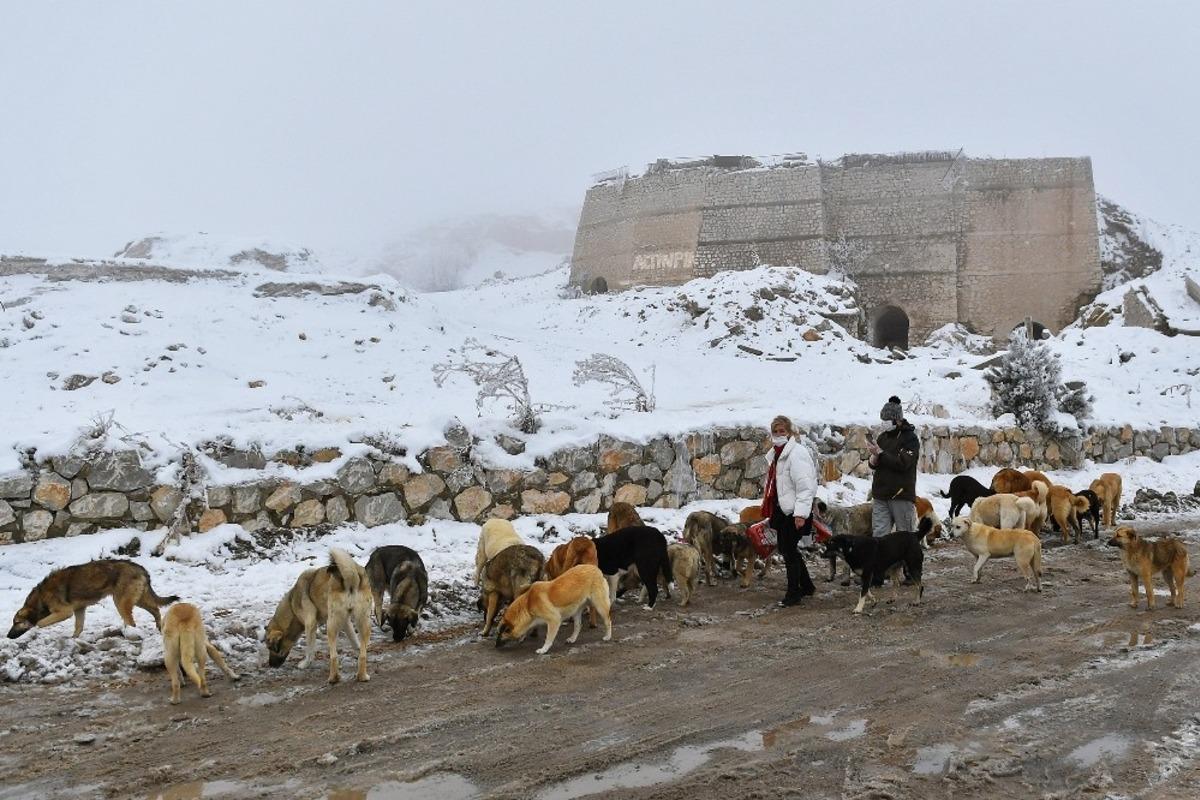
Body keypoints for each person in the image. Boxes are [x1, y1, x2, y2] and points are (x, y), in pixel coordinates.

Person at [761, 415, 818, 607]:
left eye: (782, 431)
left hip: (794, 511)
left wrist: (800, 514)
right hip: (783, 508)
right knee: (788, 549)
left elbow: (805, 486)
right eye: (775, 432)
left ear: (790, 432)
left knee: (789, 551)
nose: (778, 435)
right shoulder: (778, 454)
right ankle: (806, 586)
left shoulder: (796, 453)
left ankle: (794, 593)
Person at [867, 395, 920, 536]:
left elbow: (903, 463)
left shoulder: (910, 438)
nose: (884, 423)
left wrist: (881, 453)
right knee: (879, 536)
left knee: (905, 536)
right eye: (882, 420)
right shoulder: (883, 437)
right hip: (880, 494)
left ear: (897, 420)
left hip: (901, 495)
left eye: (887, 420)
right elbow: (875, 464)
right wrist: (874, 457)